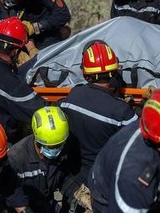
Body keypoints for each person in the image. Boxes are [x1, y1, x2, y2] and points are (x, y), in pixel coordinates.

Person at [59, 40, 137, 183]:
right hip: (104, 180)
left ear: (85, 73)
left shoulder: (73, 96)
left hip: (75, 176)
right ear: (114, 72)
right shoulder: (121, 112)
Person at [8, 106, 82, 213]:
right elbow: (10, 195)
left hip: (48, 208)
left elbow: (64, 178)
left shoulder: (63, 150)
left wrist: (78, 192)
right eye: (52, 147)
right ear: (37, 141)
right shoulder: (16, 158)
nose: (56, 150)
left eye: (59, 145)